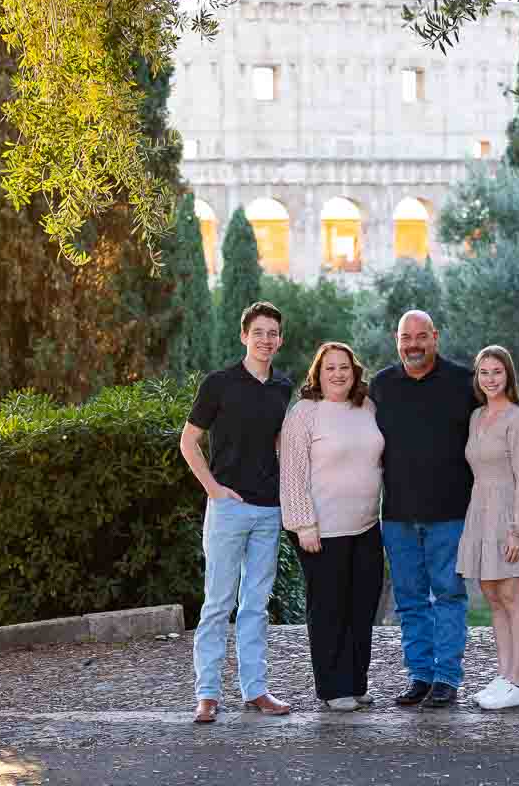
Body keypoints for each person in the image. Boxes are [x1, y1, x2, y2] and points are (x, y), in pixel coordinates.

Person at [180, 301, 295, 724]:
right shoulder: (219, 384)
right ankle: (207, 694)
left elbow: (281, 445)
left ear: (280, 340)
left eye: (273, 333)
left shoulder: (283, 387)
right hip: (228, 509)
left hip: (268, 511)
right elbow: (188, 442)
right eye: (258, 332)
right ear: (244, 336)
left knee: (255, 605)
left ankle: (256, 690)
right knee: (218, 602)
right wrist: (214, 489)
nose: (266, 340)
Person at [370, 310, 479, 708]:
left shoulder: (464, 382)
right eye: (405, 337)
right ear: (396, 340)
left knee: (449, 595)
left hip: (450, 513)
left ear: (435, 336)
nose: (413, 345)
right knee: (410, 600)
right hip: (397, 515)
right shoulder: (381, 386)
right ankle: (420, 675)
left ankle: (447, 679)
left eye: (421, 336)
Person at [280, 342, 385, 712]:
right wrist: (303, 523)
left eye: (344, 367)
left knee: (361, 607)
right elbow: (292, 472)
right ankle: (332, 687)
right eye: (330, 369)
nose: (338, 374)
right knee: (329, 609)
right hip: (321, 530)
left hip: (367, 526)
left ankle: (356, 683)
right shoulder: (305, 413)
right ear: (318, 375)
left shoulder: (367, 407)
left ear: (354, 372)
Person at [457, 345, 519, 710]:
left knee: (512, 597)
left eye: (497, 372)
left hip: (509, 513)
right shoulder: (476, 417)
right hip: (480, 511)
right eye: (484, 372)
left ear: (508, 375)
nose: (490, 379)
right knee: (493, 598)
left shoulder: (517, 419)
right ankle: (503, 675)